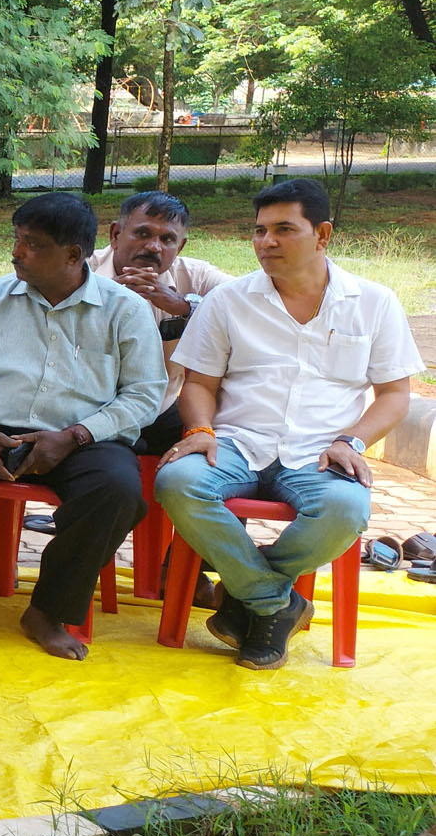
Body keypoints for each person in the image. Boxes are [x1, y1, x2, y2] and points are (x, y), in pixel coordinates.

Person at [155, 178, 422, 667]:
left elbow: (394, 396)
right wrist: (200, 430)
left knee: (344, 509)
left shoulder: (373, 302)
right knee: (177, 481)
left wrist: (353, 441)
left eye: (283, 229)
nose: (265, 242)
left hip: (323, 451)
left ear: (322, 234)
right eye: (258, 231)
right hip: (236, 441)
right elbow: (199, 385)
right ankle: (278, 605)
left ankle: (248, 599)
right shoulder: (228, 300)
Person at [0, 193, 164, 660]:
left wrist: (76, 435)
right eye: (17, 240)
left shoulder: (125, 309)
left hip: (84, 437)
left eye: (32, 244)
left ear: (74, 256)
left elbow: (144, 395)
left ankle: (48, 609)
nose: (17, 252)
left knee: (119, 491)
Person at [94, 191, 234, 454]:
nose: (154, 247)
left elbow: (250, 303)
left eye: (167, 239)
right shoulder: (81, 272)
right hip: (90, 409)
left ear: (179, 247)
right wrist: (100, 300)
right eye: (143, 234)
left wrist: (184, 305)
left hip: (162, 407)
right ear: (115, 235)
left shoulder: (195, 276)